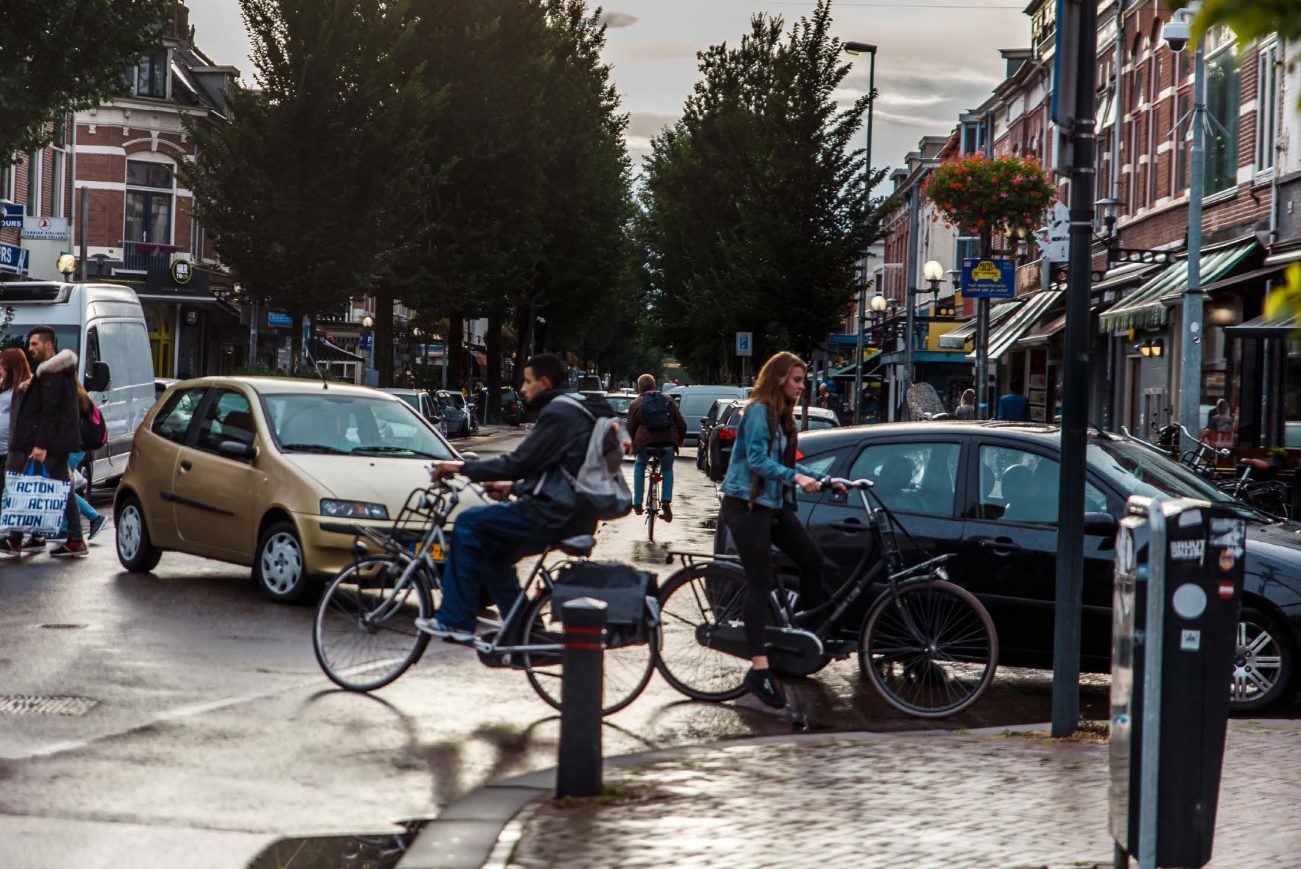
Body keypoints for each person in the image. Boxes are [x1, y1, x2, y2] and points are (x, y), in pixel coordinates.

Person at [415, 353, 616, 642]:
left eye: (528, 381)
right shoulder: (576, 409)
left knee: (468, 524)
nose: (522, 388)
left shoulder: (560, 413)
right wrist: (512, 488)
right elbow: (558, 471)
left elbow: (518, 462)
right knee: (492, 554)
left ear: (544, 383)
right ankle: (526, 631)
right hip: (574, 514)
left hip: (553, 515)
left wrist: (461, 467)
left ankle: (455, 619)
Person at [718, 351, 844, 709]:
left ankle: (809, 637)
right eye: (797, 380)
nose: (802, 387)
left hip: (773, 505)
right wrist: (797, 478)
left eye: (803, 380)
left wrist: (828, 479)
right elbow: (757, 460)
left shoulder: (785, 417)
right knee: (760, 582)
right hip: (746, 505)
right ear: (777, 379)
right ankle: (759, 670)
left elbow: (790, 463)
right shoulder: (758, 410)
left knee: (812, 560)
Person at [2, 326, 85, 557]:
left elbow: (50, 412)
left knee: (25, 485)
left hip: (50, 443)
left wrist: (40, 445)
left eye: (35, 344)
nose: (30, 349)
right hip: (58, 442)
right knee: (62, 487)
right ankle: (76, 538)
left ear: (49, 345)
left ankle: (16, 538)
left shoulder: (51, 374)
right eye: (30, 344)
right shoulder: (56, 372)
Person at [626, 374, 687, 522]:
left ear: (639, 387)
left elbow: (630, 428)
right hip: (667, 443)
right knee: (667, 469)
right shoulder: (668, 400)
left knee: (640, 465)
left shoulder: (636, 403)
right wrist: (678, 441)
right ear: (654, 386)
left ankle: (638, 503)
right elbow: (682, 425)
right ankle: (666, 502)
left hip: (645, 445)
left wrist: (632, 445)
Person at [58, 382, 107, 543]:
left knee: (62, 484)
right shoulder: (80, 395)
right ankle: (66, 527)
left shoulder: (70, 396)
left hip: (74, 446)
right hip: (79, 446)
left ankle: (94, 517)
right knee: (63, 484)